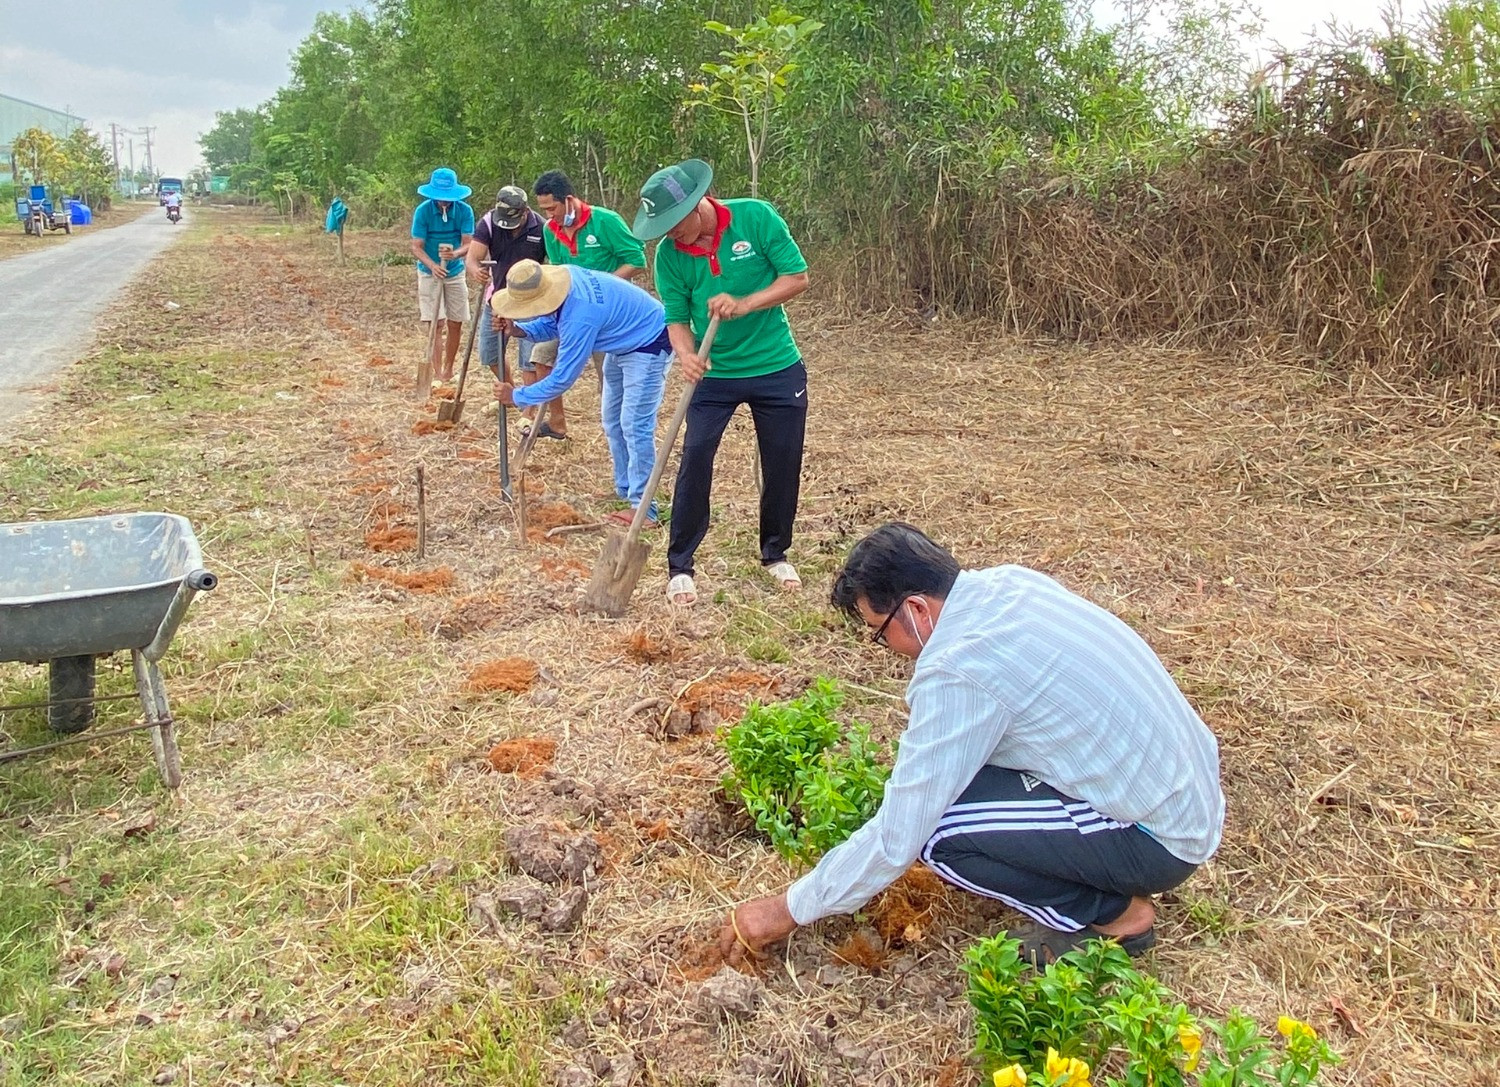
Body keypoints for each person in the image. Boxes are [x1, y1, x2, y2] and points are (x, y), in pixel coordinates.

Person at [719, 523, 1225, 968]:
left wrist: (787, 909)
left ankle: (1117, 917)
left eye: (879, 632)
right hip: (1189, 788)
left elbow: (899, 837)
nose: (888, 650)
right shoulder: (1009, 585)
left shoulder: (960, 668)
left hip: (1159, 838)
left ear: (916, 609)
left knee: (939, 834)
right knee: (951, 788)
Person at [630, 158, 810, 607]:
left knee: (782, 460)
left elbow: (797, 277)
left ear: (698, 205)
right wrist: (687, 355)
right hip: (715, 375)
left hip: (775, 365)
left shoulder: (755, 216)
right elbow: (675, 318)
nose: (670, 234)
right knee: (695, 457)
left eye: (674, 223)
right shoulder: (670, 256)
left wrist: (747, 303)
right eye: (662, 228)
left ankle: (775, 553)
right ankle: (680, 566)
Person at [491, 260, 672, 523]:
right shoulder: (563, 286)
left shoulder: (582, 314)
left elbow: (563, 378)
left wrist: (517, 396)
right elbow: (553, 323)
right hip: (621, 344)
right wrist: (518, 329)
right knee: (612, 421)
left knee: (634, 425)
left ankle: (645, 509)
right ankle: (625, 489)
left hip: (649, 342)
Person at [528, 170, 648, 441]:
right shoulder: (551, 230)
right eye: (543, 209)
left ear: (568, 199)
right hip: (572, 313)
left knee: (609, 375)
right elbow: (559, 273)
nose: (549, 215)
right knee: (541, 356)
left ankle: (616, 433)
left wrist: (601, 289)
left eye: (552, 208)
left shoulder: (605, 221)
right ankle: (557, 423)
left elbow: (637, 262)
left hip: (610, 315)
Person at [466, 185, 547, 425]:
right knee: (489, 353)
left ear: (525, 211)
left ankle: (528, 412)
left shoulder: (541, 228)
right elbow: (473, 257)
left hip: (531, 303)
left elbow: (553, 263)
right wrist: (475, 271)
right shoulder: (489, 223)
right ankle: (513, 394)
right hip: (499, 299)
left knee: (528, 359)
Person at [410, 167, 475, 383]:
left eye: (448, 198)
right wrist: (433, 265)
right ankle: (436, 373)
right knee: (435, 323)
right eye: (440, 197)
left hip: (455, 271)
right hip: (429, 273)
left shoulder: (465, 211)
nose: (444, 202)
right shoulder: (423, 211)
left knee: (456, 321)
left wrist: (454, 254)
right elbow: (416, 246)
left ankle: (449, 370)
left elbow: (468, 244)